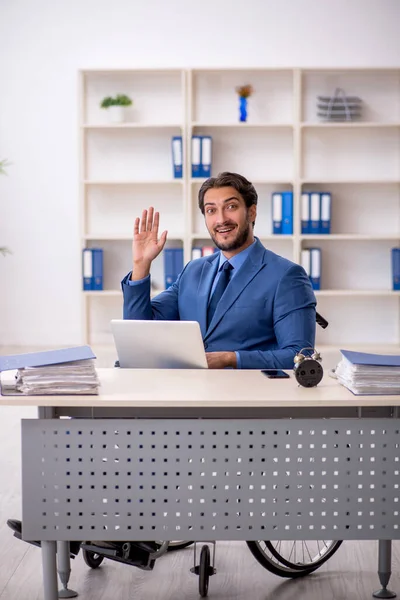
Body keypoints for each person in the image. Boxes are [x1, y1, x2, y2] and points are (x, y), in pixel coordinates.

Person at [122, 171, 316, 369]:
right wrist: (141, 264)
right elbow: (139, 332)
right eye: (211, 210)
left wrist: (231, 358)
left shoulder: (286, 275)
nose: (221, 219)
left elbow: (300, 356)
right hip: (192, 393)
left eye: (231, 207)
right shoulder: (193, 271)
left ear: (251, 212)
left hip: (249, 395)